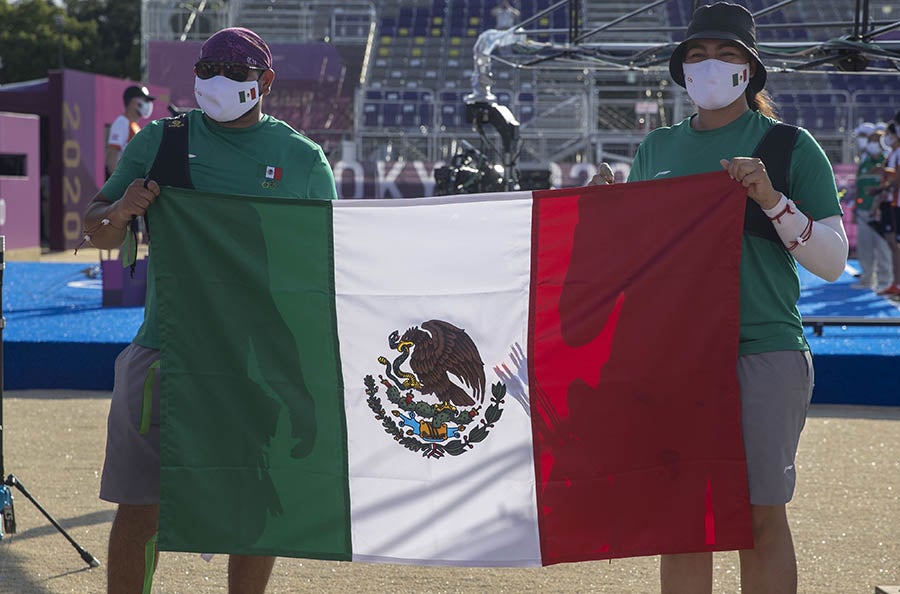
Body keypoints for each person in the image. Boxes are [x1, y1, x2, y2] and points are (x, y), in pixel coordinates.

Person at [591, 4, 847, 593]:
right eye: (698, 54)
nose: (711, 65)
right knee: (684, 524)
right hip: (676, 360)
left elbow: (832, 260)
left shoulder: (788, 145)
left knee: (760, 518)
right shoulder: (654, 148)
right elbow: (638, 265)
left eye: (727, 54)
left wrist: (771, 200)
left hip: (764, 348)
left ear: (750, 71)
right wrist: (604, 216)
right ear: (681, 70)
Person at [82, 27, 338, 594]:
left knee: (253, 516)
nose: (219, 80)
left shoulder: (301, 159)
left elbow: (326, 270)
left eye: (237, 71)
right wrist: (122, 209)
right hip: (167, 352)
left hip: (254, 365)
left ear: (265, 81)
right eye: (207, 69)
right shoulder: (160, 141)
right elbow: (96, 230)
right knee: (141, 508)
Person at [851, 123, 891, 291]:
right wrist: (855, 208)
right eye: (871, 140)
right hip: (863, 210)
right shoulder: (864, 162)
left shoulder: (888, 160)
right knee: (865, 246)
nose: (873, 143)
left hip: (881, 211)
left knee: (883, 247)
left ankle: (885, 280)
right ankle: (867, 279)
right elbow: (858, 187)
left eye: (877, 140)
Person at [870, 122, 900, 297]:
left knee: (895, 244)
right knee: (892, 243)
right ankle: (895, 282)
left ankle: (896, 282)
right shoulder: (892, 154)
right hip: (890, 202)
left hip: (894, 202)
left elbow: (896, 179)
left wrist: (881, 189)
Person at [106, 85, 155, 179]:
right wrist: (117, 184)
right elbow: (112, 154)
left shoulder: (135, 126)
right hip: (124, 185)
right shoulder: (121, 122)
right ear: (133, 102)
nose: (148, 104)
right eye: (144, 100)